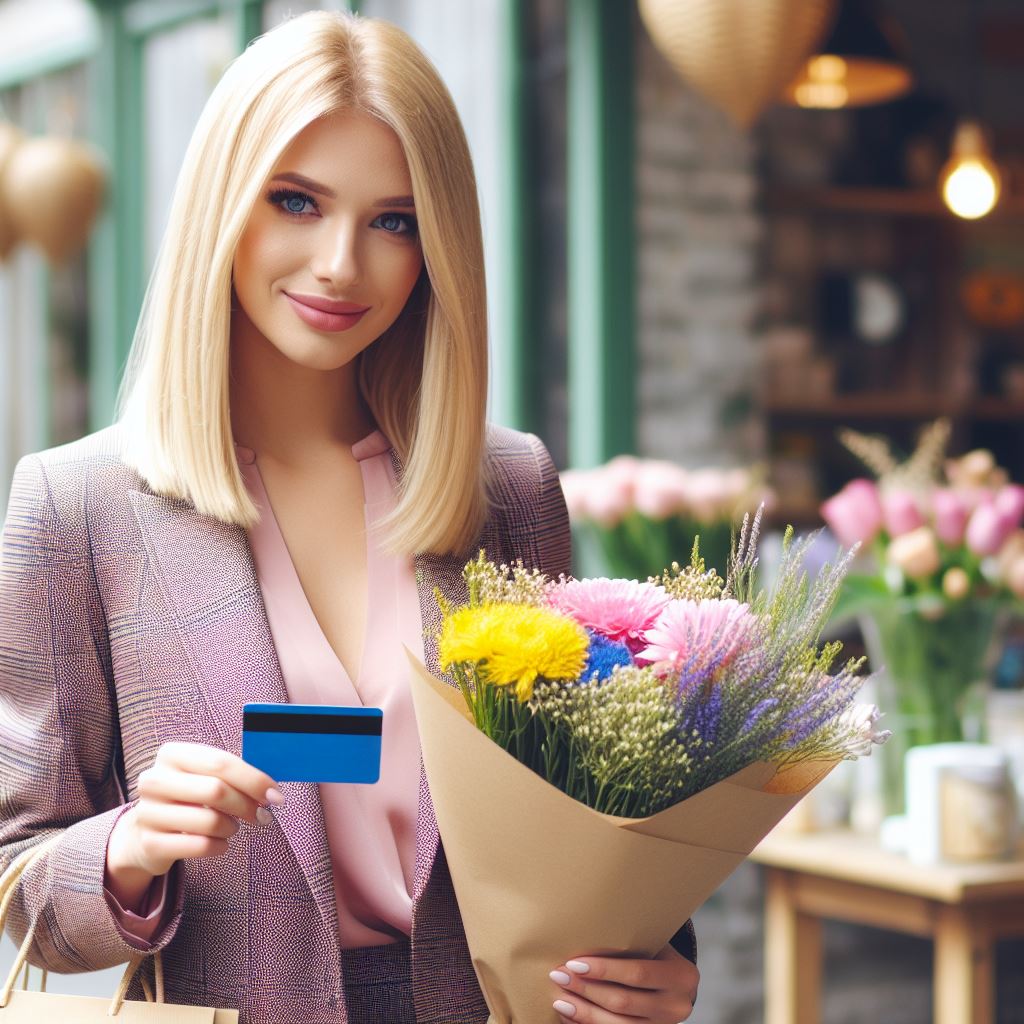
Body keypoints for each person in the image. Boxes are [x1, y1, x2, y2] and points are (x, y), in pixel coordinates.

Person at [0, 11, 698, 1023]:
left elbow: (590, 808)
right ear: (221, 210)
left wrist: (655, 962)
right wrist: (129, 844)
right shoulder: (79, 506)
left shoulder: (507, 487)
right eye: (296, 201)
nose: (339, 263)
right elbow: (20, 885)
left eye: (394, 220)